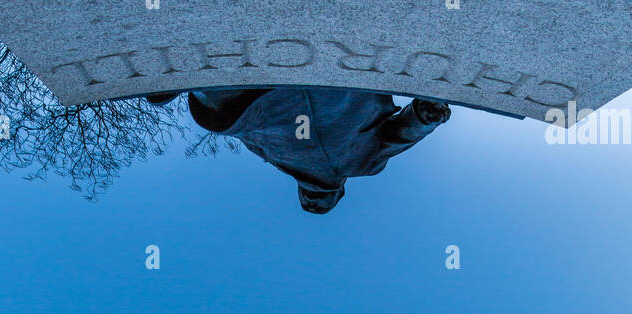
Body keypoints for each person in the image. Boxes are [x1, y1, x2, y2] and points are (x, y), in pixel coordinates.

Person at [146, 87, 451, 214]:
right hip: (336, 96)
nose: (315, 195)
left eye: (310, 200)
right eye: (321, 200)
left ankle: (192, 79)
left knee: (226, 118)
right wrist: (423, 118)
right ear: (337, 193)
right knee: (227, 118)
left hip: (262, 104)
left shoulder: (278, 159)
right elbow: (398, 136)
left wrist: (423, 119)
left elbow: (251, 138)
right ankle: (199, 84)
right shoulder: (362, 164)